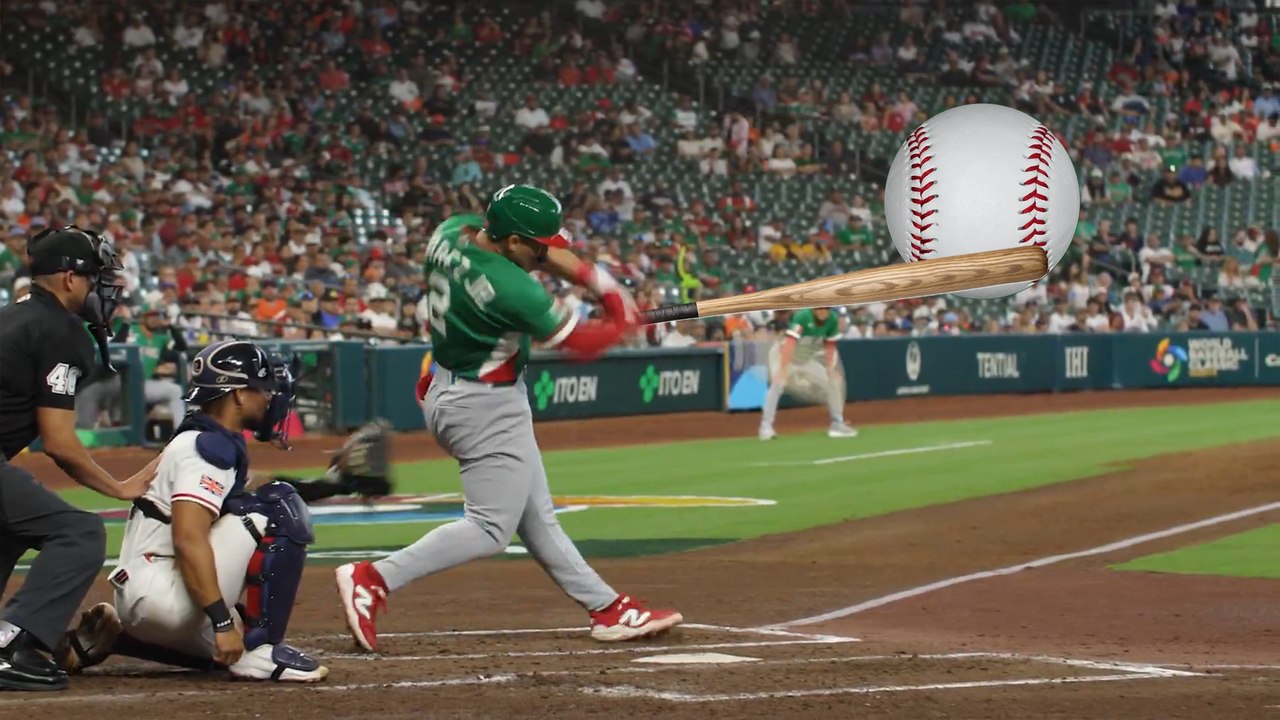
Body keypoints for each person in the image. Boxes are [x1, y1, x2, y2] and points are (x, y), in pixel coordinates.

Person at [334, 185, 683, 651]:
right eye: (539, 245)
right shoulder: (512, 288)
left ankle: (607, 608)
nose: (549, 253)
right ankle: (373, 578)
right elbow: (582, 344)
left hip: (453, 387)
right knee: (489, 527)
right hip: (484, 406)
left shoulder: (452, 231)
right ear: (514, 242)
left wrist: (607, 290)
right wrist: (620, 319)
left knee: (536, 516)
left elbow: (552, 261)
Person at [53, 341, 334, 682]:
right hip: (162, 591)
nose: (271, 397)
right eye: (263, 388)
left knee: (233, 650)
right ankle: (264, 649)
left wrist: (330, 485)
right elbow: (187, 538)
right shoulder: (207, 449)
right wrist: (221, 620)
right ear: (238, 395)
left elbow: (240, 496)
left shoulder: (202, 436)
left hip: (144, 589)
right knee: (279, 507)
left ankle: (123, 639)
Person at [0, 225, 158, 691]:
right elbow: (60, 443)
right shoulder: (60, 330)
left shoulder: (13, 316)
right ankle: (13, 646)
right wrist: (119, 487)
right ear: (70, 278)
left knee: (8, 529)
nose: (100, 290)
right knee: (80, 531)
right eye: (95, 279)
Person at [758, 307, 858, 440]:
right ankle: (765, 427)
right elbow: (789, 344)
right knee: (778, 384)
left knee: (833, 381)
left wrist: (829, 368)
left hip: (805, 359)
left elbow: (830, 345)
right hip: (782, 355)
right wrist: (782, 370)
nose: (823, 312)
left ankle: (837, 423)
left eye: (826, 309)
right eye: (820, 309)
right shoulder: (803, 317)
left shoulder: (832, 320)